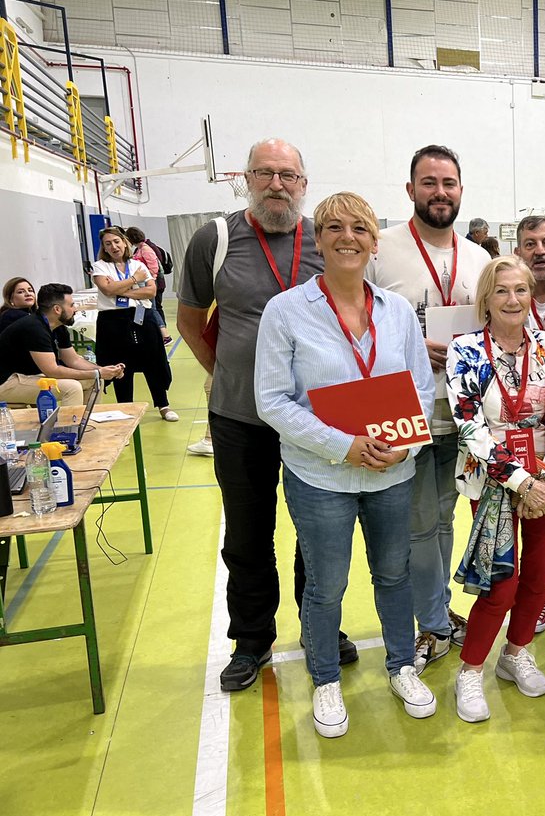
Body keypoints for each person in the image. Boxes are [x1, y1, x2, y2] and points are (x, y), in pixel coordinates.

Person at [255, 192, 437, 737]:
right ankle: (326, 677)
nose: (347, 237)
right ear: (318, 238)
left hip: (392, 472)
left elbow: (421, 389)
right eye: (333, 227)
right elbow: (272, 400)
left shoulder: (398, 312)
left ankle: (402, 665)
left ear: (373, 242)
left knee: (394, 574)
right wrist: (343, 445)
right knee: (326, 585)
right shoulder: (285, 311)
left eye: (359, 228)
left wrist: (407, 444)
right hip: (321, 476)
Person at [178, 138, 353, 692]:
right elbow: (188, 320)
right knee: (248, 534)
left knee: (316, 532)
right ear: (245, 178)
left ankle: (319, 627)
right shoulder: (216, 239)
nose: (277, 184)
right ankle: (251, 641)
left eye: (288, 175)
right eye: (264, 173)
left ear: (304, 183)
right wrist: (232, 374)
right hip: (239, 419)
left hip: (313, 418)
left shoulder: (323, 240)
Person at [368, 144, 491, 675]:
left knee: (444, 518)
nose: (440, 192)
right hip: (403, 405)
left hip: (463, 410)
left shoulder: (480, 257)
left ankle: (437, 612)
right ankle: (433, 624)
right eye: (429, 182)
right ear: (410, 189)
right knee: (420, 524)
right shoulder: (382, 249)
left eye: (449, 183)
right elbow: (362, 323)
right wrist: (417, 344)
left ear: (460, 190)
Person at [446, 256, 545, 723]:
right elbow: (469, 426)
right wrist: (519, 481)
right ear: (486, 297)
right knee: (502, 582)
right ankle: (471, 670)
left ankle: (516, 652)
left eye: (521, 290)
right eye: (502, 290)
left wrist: (544, 480)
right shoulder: (466, 351)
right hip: (496, 481)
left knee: (540, 577)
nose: (513, 300)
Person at [513, 214, 545, 631]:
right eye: (531, 244)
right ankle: (540, 594)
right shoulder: (508, 301)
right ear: (518, 252)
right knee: (529, 519)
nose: (540, 251)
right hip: (519, 439)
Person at [91, 226, 177, 421]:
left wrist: (121, 290)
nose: (113, 246)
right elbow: (106, 289)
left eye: (116, 241)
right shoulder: (100, 267)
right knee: (121, 366)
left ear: (124, 242)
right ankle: (126, 409)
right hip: (113, 320)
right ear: (104, 247)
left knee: (153, 361)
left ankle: (163, 405)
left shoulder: (138, 264)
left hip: (141, 316)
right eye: (108, 243)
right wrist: (133, 280)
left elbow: (151, 292)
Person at [0, 283, 123, 405]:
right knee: (72, 388)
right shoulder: (34, 328)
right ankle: (69, 425)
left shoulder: (58, 326)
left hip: (25, 376)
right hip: (6, 381)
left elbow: (74, 360)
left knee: (94, 380)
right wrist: (97, 372)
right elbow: (52, 371)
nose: (75, 309)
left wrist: (104, 370)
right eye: (72, 305)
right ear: (57, 309)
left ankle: (88, 423)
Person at [125, 226, 170, 343]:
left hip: (148, 283)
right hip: (141, 284)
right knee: (140, 307)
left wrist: (149, 283)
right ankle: (140, 332)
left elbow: (154, 268)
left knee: (152, 309)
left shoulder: (146, 249)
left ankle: (165, 335)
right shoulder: (140, 249)